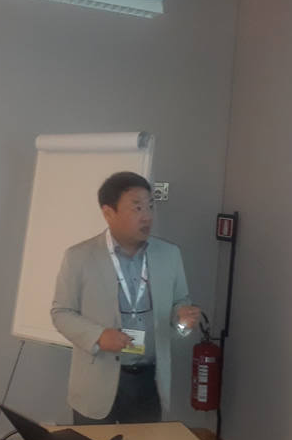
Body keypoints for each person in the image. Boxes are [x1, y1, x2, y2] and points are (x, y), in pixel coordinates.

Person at [51, 172, 201, 425]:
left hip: (148, 380)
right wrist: (97, 335)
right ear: (108, 212)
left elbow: (180, 301)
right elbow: (61, 312)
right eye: (137, 208)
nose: (147, 216)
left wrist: (182, 316)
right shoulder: (79, 256)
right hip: (98, 379)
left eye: (150, 206)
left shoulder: (169, 254)